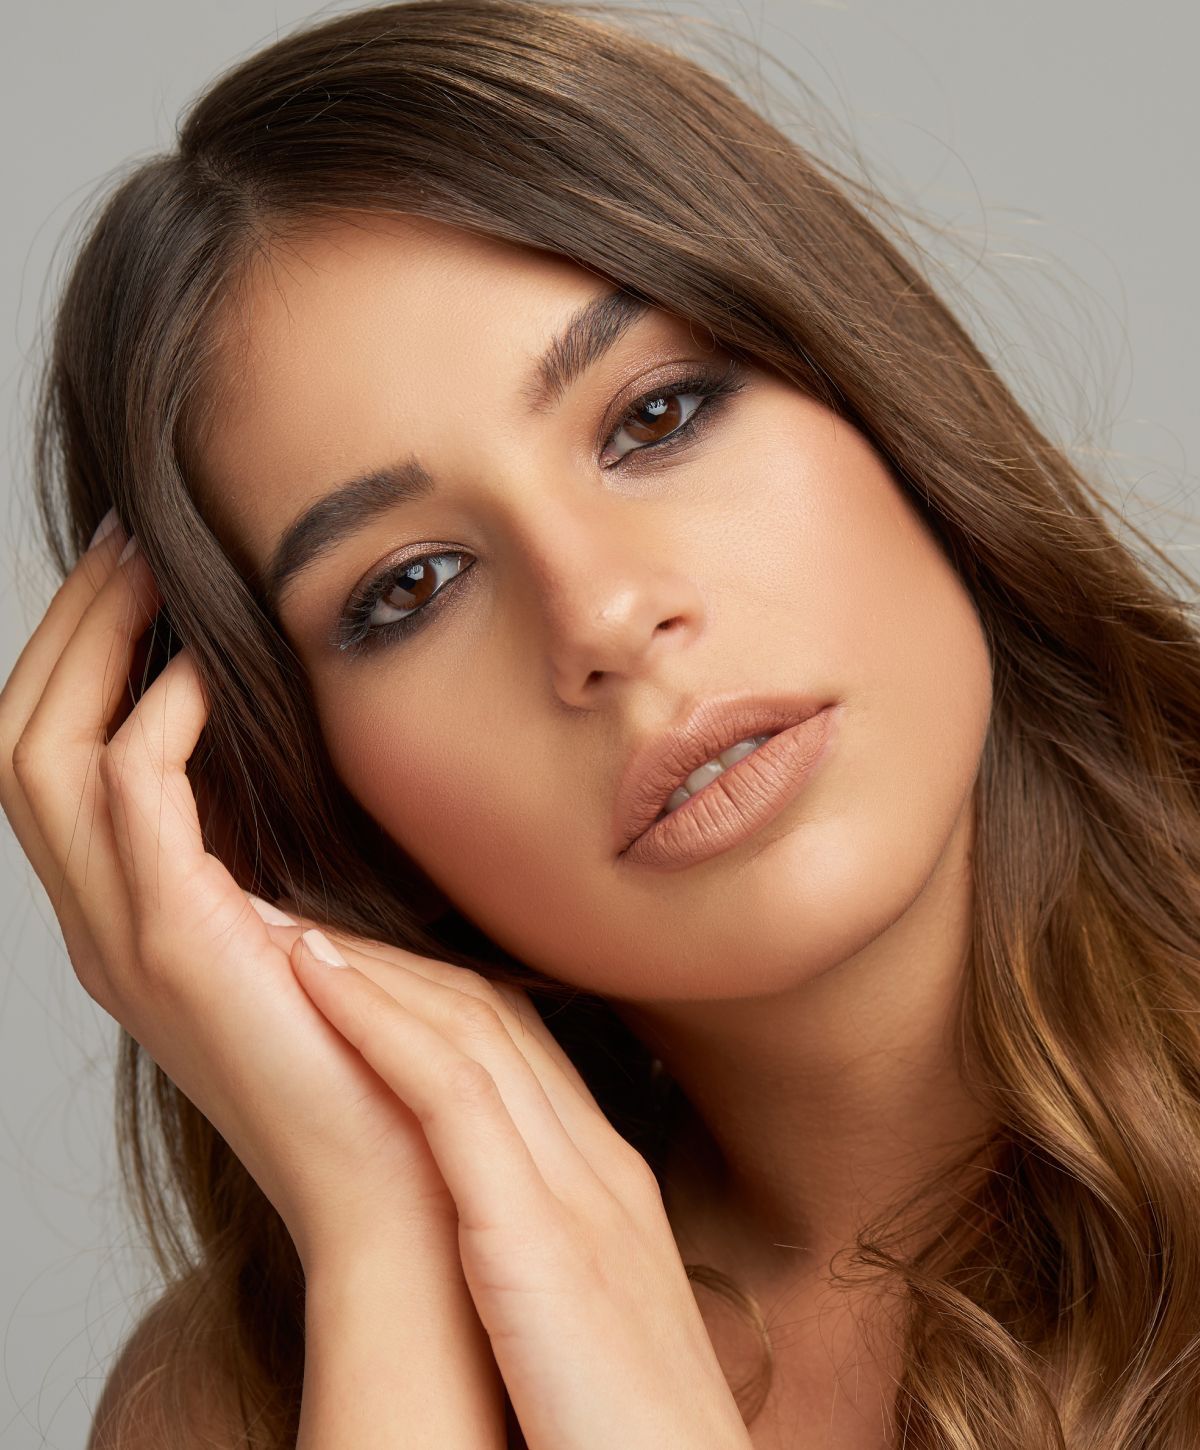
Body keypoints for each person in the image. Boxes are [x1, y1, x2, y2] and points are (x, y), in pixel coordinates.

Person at [3, 0, 1198, 1445]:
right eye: (411, 587)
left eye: (659, 416)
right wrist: (386, 1247)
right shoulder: (252, 1393)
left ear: (880, 389)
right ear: (298, 779)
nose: (601, 620)